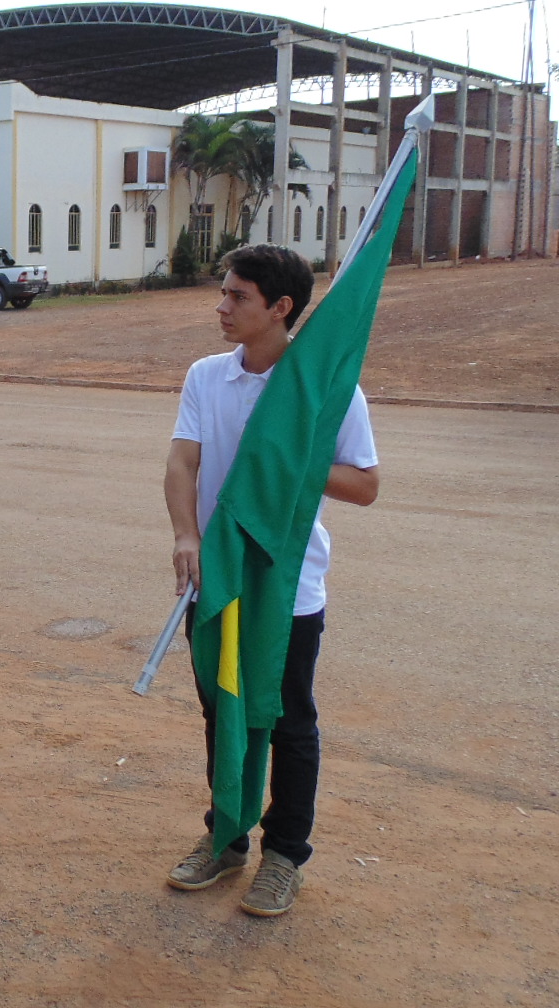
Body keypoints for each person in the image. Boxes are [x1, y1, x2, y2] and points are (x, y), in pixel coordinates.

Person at [163, 244, 380, 918]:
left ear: (281, 308)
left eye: (238, 297)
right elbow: (182, 462)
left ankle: (284, 856)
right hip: (217, 577)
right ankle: (226, 837)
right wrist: (187, 535)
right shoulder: (206, 376)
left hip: (288, 586)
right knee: (222, 709)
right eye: (223, 293)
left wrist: (288, 457)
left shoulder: (326, 390)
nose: (221, 308)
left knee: (287, 720)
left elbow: (365, 484)